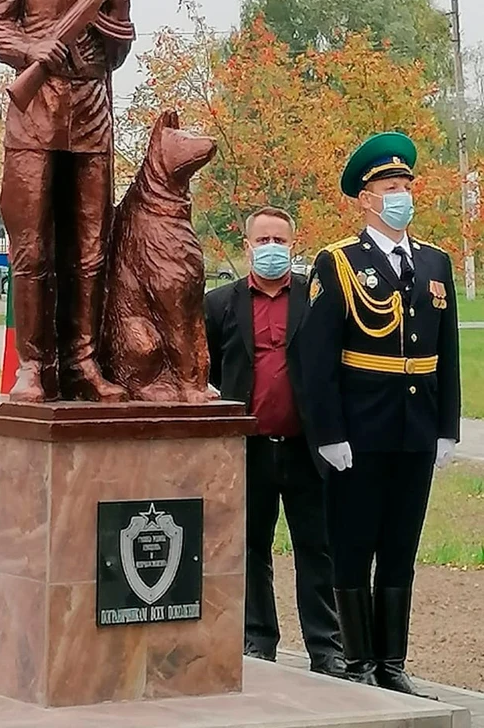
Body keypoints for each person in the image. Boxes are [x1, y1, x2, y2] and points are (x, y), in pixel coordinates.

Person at [300, 132, 460, 693]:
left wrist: (447, 426)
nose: (402, 196)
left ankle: (392, 665)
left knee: (400, 549)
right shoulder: (338, 262)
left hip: (415, 431)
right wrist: (328, 433)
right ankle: (359, 664)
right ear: (365, 199)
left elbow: (449, 352)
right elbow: (316, 359)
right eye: (391, 188)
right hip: (359, 431)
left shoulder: (436, 262)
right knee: (353, 545)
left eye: (406, 187)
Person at [0, 0, 134, 403]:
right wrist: (32, 51)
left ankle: (82, 363)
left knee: (90, 246)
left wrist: (116, 0)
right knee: (32, 246)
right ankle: (33, 366)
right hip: (37, 112)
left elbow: (119, 49)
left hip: (91, 109)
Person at [205, 207, 344, 678]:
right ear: (247, 247)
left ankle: (326, 647)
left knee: (316, 548)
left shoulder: (317, 299)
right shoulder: (220, 304)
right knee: (251, 548)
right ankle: (258, 639)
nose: (270, 249)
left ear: (293, 244)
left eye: (278, 241)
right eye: (261, 241)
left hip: (307, 448)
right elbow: (203, 371)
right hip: (249, 449)